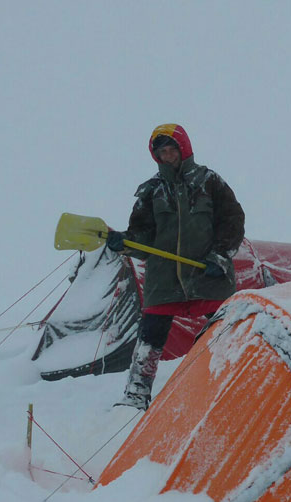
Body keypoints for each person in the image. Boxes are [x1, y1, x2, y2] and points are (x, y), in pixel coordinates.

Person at [105, 124, 245, 410]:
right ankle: (135, 396)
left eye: (172, 150)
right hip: (164, 280)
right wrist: (125, 243)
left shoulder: (210, 182)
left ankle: (237, 385)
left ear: (185, 149)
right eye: (162, 152)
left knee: (227, 330)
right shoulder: (151, 191)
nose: (168, 156)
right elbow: (142, 237)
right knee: (150, 337)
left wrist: (219, 256)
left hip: (208, 274)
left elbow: (233, 222)